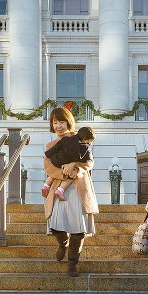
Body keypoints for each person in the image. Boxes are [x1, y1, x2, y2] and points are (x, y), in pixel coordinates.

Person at [43, 107, 99, 277]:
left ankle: (73, 262)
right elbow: (48, 167)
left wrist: (73, 165)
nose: (58, 126)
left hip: (78, 187)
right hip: (58, 187)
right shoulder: (50, 145)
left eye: (61, 122)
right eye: (55, 122)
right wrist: (65, 172)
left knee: (78, 228)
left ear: (68, 122)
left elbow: (89, 163)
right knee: (55, 225)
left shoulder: (79, 138)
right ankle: (63, 243)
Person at [42, 126, 95, 201]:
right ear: (84, 139)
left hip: (56, 159)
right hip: (66, 162)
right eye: (89, 141)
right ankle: (60, 190)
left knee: (52, 175)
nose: (89, 143)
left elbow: (58, 146)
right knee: (71, 175)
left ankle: (46, 186)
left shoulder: (67, 139)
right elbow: (84, 159)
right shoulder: (84, 147)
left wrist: (48, 153)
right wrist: (75, 164)